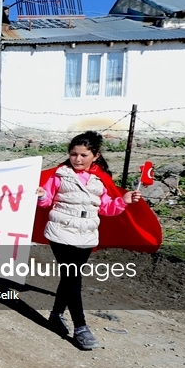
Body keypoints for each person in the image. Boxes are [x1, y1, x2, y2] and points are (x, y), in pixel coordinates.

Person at [35, 131, 142, 351]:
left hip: (87, 234)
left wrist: (124, 201)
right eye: (73, 154)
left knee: (70, 279)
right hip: (61, 232)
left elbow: (105, 208)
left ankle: (56, 314)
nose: (77, 159)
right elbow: (46, 203)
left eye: (83, 155)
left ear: (95, 155)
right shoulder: (60, 174)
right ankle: (81, 328)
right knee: (73, 278)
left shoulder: (100, 179)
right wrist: (41, 195)